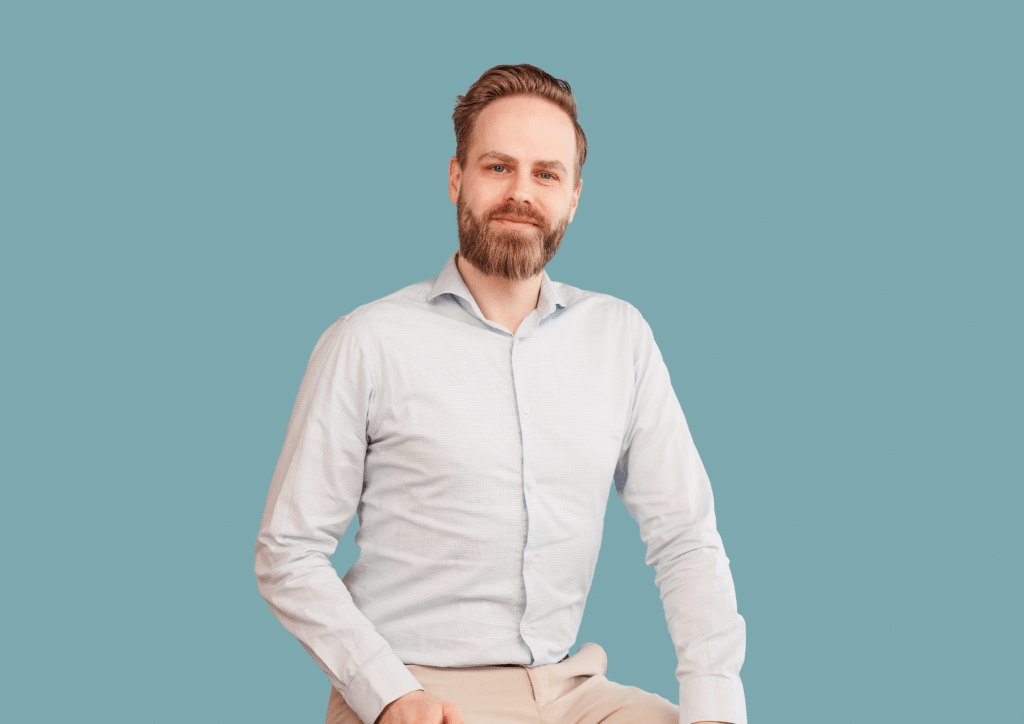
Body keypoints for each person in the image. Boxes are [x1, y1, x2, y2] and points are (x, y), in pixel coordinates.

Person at [255, 64, 746, 724]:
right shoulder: (367, 341)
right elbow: (288, 552)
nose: (522, 193)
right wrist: (388, 693)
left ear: (574, 197)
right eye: (498, 167)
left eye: (547, 174)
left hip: (569, 692)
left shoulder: (620, 336)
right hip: (415, 690)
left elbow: (685, 536)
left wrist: (714, 707)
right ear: (456, 178)